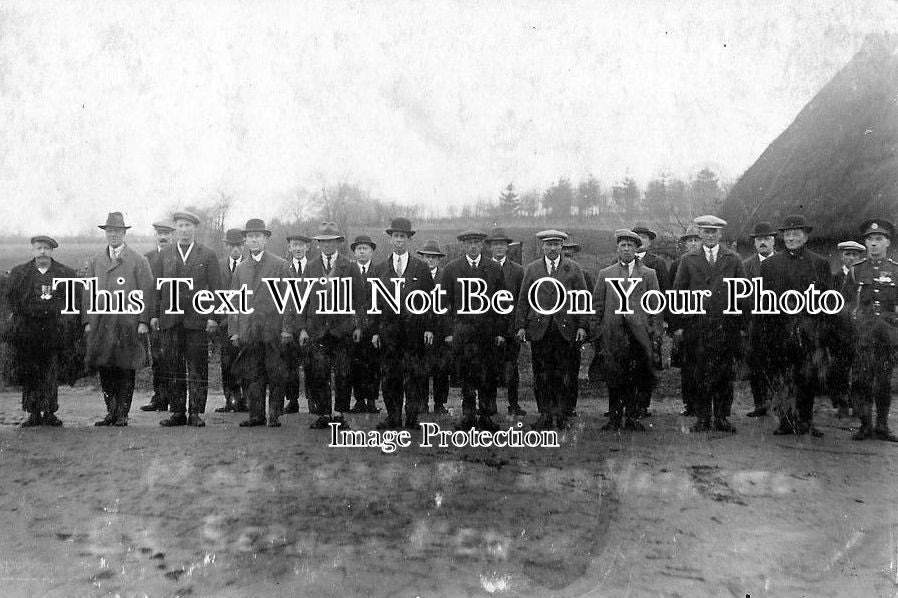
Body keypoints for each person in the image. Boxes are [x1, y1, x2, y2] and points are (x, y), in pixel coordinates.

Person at [672, 215, 747, 433]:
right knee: (700, 372)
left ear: (720, 234)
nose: (711, 235)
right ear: (700, 233)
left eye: (714, 232)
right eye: (706, 231)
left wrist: (742, 325)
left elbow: (744, 294)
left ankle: (722, 417)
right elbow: (678, 293)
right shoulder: (688, 260)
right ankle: (703, 417)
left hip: (726, 326)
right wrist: (679, 325)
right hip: (697, 326)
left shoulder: (733, 259)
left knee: (724, 373)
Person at [760, 214, 832, 437]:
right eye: (787, 234)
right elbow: (764, 302)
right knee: (783, 377)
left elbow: (828, 302)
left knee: (807, 377)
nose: (791, 238)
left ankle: (805, 421)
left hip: (809, 331)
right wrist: (767, 332)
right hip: (780, 331)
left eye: (796, 234)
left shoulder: (820, 263)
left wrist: (821, 331)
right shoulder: (770, 265)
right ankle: (786, 421)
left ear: (806, 237)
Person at [152, 211, 223, 428]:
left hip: (197, 320)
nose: (184, 230)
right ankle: (177, 412)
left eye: (188, 226)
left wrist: (213, 317)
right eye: (181, 226)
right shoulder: (165, 254)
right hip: (171, 320)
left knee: (197, 366)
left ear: (195, 228)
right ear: (176, 229)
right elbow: (156, 287)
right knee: (173, 365)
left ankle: (195, 412)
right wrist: (154, 314)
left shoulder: (207, 255)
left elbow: (216, 288)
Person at [83, 212, 154, 426]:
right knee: (105, 367)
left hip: (127, 324)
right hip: (102, 324)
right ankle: (111, 412)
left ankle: (122, 413)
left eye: (117, 231)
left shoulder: (138, 260)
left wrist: (143, 321)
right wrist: (87, 321)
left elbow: (147, 292)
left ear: (124, 233)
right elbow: (88, 293)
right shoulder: (96, 261)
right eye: (109, 231)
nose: (113, 235)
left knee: (125, 367)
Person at [515, 229, 588, 430]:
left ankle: (562, 415)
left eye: (556, 244)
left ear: (562, 246)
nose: (553, 248)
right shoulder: (533, 269)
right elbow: (523, 299)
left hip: (565, 329)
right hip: (540, 329)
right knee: (542, 374)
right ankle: (545, 414)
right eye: (549, 244)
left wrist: (582, 325)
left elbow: (583, 298)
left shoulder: (573, 268)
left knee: (564, 373)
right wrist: (521, 326)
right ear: (542, 246)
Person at [296, 222, 365, 430]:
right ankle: (324, 413)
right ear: (318, 244)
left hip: (342, 329)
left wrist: (358, 326)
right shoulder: (311, 267)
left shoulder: (349, 266)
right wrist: (303, 328)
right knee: (319, 373)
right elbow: (303, 299)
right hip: (317, 330)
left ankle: (340, 413)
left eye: (331, 241)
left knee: (344, 373)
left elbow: (360, 300)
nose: (327, 245)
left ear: (338, 242)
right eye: (323, 242)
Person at [592, 229, 662, 431]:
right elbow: (597, 306)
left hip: (638, 336)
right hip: (613, 334)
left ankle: (632, 418)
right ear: (617, 248)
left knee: (635, 376)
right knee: (614, 376)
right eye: (623, 245)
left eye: (630, 245)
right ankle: (614, 418)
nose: (626, 249)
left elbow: (655, 306)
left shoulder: (648, 274)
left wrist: (654, 333)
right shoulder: (606, 274)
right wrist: (598, 331)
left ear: (636, 249)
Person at [5, 236, 79, 427]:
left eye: (46, 248)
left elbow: (73, 300)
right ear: (33, 250)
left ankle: (49, 412)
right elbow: (10, 299)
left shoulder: (65, 273)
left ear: (52, 251)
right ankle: (33, 413)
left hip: (53, 331)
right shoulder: (20, 273)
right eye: (39, 248)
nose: (42, 252)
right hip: (28, 332)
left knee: (50, 372)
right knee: (30, 372)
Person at [371, 217, 435, 430]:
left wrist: (428, 328)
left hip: (414, 331)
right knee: (390, 376)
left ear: (409, 239)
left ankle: (412, 418)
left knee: (414, 375)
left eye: (403, 236)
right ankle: (394, 417)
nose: (399, 240)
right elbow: (374, 304)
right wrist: (375, 331)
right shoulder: (380, 269)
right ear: (391, 239)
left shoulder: (421, 268)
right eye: (396, 236)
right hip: (388, 332)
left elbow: (430, 300)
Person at [228, 219, 293, 427]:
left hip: (273, 330)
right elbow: (234, 301)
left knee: (275, 373)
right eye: (250, 236)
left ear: (265, 239)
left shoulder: (280, 265)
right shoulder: (241, 269)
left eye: (258, 236)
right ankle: (256, 415)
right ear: (245, 241)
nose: (254, 240)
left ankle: (274, 414)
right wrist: (234, 330)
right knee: (253, 374)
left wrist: (287, 329)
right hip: (249, 331)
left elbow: (289, 299)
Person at [440, 230, 507, 432]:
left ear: (482, 244)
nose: (473, 246)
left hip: (487, 331)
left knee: (486, 376)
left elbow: (502, 302)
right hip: (462, 331)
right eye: (469, 243)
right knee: (466, 376)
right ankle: (468, 416)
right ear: (463, 245)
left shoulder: (494, 268)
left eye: (477, 242)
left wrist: (500, 331)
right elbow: (444, 303)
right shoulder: (452, 269)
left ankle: (486, 417)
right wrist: (449, 331)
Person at [846, 219, 897, 442]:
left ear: (887, 243)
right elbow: (845, 303)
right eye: (870, 239)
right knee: (861, 381)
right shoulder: (856, 271)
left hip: (886, 337)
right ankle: (865, 425)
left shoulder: (896, 271)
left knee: (884, 382)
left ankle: (882, 426)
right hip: (863, 336)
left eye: (879, 239)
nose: (874, 243)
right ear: (865, 243)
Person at [486, 227, 526, 416]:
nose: (499, 247)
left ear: (507, 247)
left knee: (512, 368)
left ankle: (514, 404)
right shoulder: (484, 268)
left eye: (502, 244)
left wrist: (519, 326)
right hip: (489, 327)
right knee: (489, 367)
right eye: (496, 244)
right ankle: (490, 405)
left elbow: (522, 300)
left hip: (511, 327)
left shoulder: (518, 271)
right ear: (490, 247)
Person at [825, 240, 865, 417]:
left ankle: (857, 405)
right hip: (839, 331)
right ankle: (841, 403)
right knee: (839, 369)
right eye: (847, 254)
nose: (851, 258)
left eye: (855, 255)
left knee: (859, 369)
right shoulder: (833, 279)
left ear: (860, 258)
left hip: (859, 332)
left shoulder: (863, 278)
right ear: (841, 257)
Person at [742, 221, 777, 418]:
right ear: (754, 243)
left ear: (773, 241)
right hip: (755, 322)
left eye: (766, 239)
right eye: (759, 240)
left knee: (778, 363)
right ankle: (760, 404)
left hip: (779, 322)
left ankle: (778, 403)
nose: (763, 243)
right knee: (756, 363)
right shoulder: (746, 266)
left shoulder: (782, 262)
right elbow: (742, 295)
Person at [140, 220, 174, 412]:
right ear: (155, 236)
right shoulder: (147, 259)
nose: (163, 237)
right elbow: (146, 290)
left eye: (166, 234)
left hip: (174, 316)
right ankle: (159, 398)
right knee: (158, 358)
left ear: (172, 236)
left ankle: (175, 399)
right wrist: (149, 316)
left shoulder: (178, 257)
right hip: (155, 317)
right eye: (160, 233)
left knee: (174, 358)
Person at [668, 225, 701, 415]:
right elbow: (673, 296)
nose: (693, 243)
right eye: (690, 240)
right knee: (688, 365)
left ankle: (705, 404)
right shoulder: (677, 264)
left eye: (697, 240)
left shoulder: (710, 263)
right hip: (686, 322)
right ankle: (690, 404)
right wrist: (676, 326)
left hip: (705, 320)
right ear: (685, 243)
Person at [417, 239, 451, 415]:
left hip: (441, 330)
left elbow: (450, 305)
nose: (429, 260)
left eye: (433, 257)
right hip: (421, 329)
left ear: (438, 259)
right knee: (421, 368)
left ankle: (439, 403)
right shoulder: (415, 275)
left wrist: (449, 332)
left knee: (441, 369)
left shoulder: (446, 276)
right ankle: (422, 402)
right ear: (422, 258)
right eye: (427, 257)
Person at [348, 234, 382, 414]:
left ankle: (372, 401)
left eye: (365, 248)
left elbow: (381, 302)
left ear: (371, 251)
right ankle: (359, 400)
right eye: (358, 248)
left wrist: (376, 329)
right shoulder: (348, 271)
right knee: (356, 364)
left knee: (373, 364)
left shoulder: (379, 272)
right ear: (354, 252)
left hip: (372, 327)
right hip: (353, 327)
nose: (362, 251)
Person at [215, 228, 247, 413]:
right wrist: (221, 319)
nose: (235, 249)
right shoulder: (218, 265)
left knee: (247, 362)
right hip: (225, 323)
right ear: (226, 246)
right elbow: (213, 293)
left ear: (243, 246)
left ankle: (247, 401)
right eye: (232, 246)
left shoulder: (250, 264)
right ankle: (231, 401)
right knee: (227, 363)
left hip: (247, 323)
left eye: (239, 245)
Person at [561, 237, 592, 418]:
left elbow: (587, 302)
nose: (567, 253)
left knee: (571, 369)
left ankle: (570, 406)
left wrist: (584, 327)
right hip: (555, 328)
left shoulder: (583, 274)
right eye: (564, 249)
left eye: (570, 250)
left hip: (573, 329)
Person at [283, 232, 312, 415]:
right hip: (289, 325)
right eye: (294, 245)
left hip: (310, 326)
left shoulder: (314, 267)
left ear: (307, 247)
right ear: (290, 247)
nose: (298, 248)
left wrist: (307, 327)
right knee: (289, 365)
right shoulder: (284, 267)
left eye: (301, 245)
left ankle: (312, 400)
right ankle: (292, 400)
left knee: (311, 365)